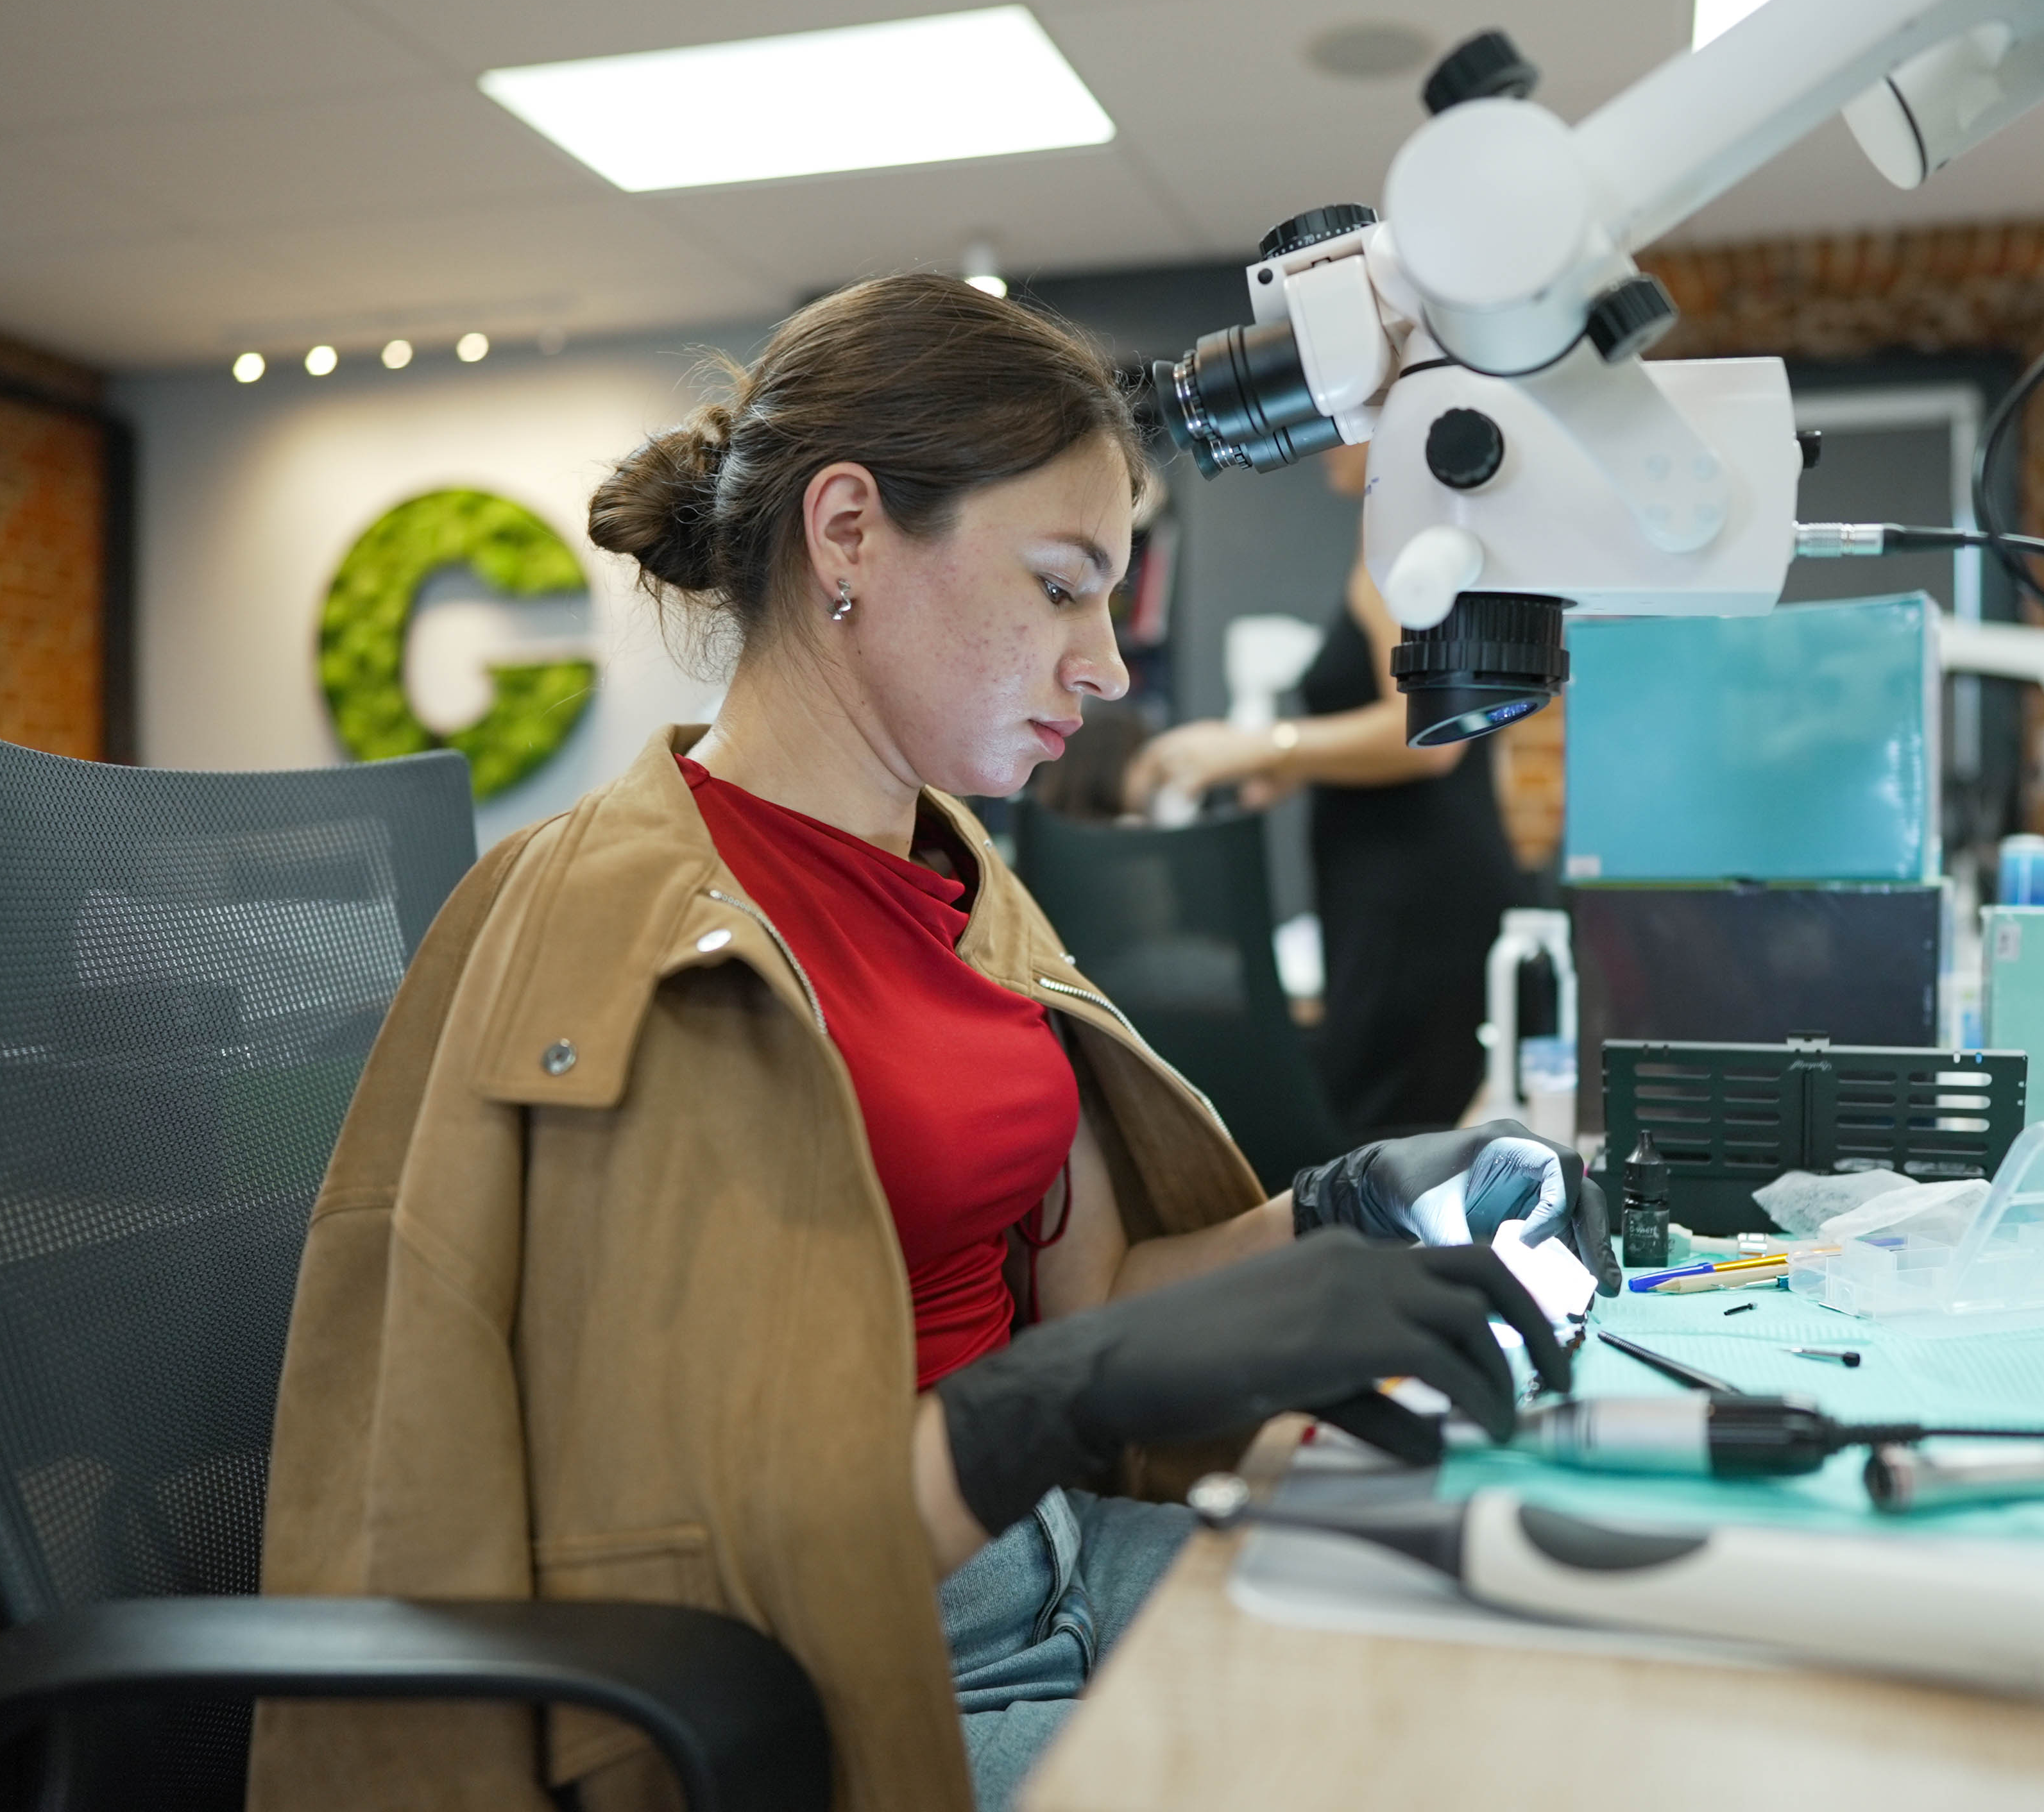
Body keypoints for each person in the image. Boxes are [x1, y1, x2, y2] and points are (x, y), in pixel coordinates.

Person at [248, 276, 1612, 1812]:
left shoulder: (963, 888)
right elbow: (689, 1567)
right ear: (846, 532)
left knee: (1544, 1685)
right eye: (1059, 585)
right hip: (848, 1673)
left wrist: (1338, 1206)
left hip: (1063, 1554)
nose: (1104, 663)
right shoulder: (606, 935)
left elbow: (1092, 1299)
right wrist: (1050, 1401)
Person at [1121, 442, 1526, 1138]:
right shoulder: (1401, 545)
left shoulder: (1414, 552)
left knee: (1384, 1131)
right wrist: (1296, 766)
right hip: (1386, 890)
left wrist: (1261, 746)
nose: (1317, 442)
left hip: (1416, 899)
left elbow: (1431, 735)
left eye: (1339, 422)